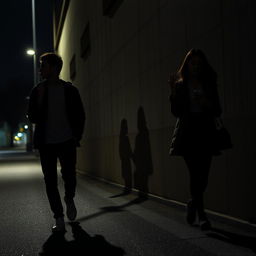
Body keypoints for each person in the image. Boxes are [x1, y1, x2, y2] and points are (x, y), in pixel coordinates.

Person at [27, 52, 85, 232]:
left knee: (70, 177)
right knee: (50, 181)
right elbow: (32, 117)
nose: (40, 69)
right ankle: (58, 217)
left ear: (53, 68)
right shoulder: (37, 90)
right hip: (46, 143)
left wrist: (77, 136)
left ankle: (69, 198)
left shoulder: (70, 90)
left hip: (67, 140)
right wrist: (41, 99)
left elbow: (80, 115)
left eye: (43, 65)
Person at [169, 49, 222, 230]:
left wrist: (206, 102)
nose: (196, 67)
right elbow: (175, 112)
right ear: (187, 65)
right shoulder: (181, 85)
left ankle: (193, 203)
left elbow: (218, 109)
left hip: (206, 131)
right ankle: (202, 216)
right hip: (188, 133)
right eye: (193, 63)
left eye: (199, 63)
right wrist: (173, 93)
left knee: (203, 176)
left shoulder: (209, 83)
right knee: (195, 174)